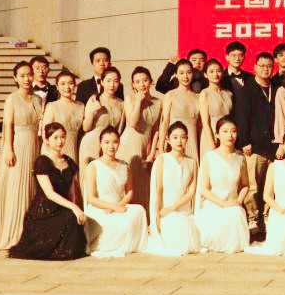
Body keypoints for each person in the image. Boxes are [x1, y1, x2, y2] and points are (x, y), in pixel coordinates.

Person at [0, 62, 46, 251]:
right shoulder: (11, 99)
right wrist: (8, 149)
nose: (27, 79)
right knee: (17, 188)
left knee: (32, 187)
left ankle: (30, 231)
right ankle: (14, 232)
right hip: (18, 146)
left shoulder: (38, 99)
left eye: (29, 75)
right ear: (15, 78)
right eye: (22, 75)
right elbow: (8, 126)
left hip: (35, 145)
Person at [8, 122, 87, 260]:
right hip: (43, 210)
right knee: (69, 218)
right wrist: (73, 207)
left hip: (62, 207)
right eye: (55, 138)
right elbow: (49, 193)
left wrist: (77, 207)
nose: (60, 141)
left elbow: (71, 192)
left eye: (62, 137)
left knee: (75, 220)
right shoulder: (42, 162)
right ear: (47, 140)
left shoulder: (69, 162)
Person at [82, 126, 146, 257]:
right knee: (122, 224)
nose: (111, 146)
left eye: (115, 142)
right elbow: (91, 198)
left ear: (119, 143)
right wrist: (112, 207)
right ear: (100, 144)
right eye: (107, 142)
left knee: (139, 210)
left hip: (119, 206)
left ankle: (129, 242)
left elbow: (130, 192)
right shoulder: (93, 167)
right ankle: (110, 244)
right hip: (100, 208)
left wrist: (118, 206)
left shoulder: (124, 165)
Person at [235, 51, 278, 235]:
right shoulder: (246, 90)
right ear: (255, 68)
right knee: (253, 186)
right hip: (253, 146)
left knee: (271, 186)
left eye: (269, 66)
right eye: (262, 66)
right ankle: (253, 218)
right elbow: (241, 117)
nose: (266, 69)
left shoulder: (277, 88)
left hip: (273, 147)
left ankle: (267, 217)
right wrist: (244, 141)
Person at [195, 118, 251, 254]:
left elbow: (245, 185)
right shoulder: (209, 157)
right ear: (217, 135)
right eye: (225, 131)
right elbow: (203, 189)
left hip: (233, 205)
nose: (229, 135)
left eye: (233, 131)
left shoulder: (240, 158)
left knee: (237, 213)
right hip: (213, 205)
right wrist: (223, 203)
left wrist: (238, 200)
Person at [146, 121, 200, 256]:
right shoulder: (162, 159)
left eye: (183, 137)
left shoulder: (192, 162)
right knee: (177, 229)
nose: (179, 141)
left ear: (187, 139)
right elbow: (158, 190)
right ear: (168, 140)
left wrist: (173, 208)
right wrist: (157, 215)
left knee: (186, 226)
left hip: (183, 209)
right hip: (164, 210)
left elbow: (191, 192)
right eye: (175, 137)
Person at [120, 66, 160, 215]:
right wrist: (138, 102)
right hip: (129, 144)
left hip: (145, 145)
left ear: (151, 81)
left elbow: (156, 130)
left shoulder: (158, 102)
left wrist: (152, 152)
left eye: (145, 80)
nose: (142, 84)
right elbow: (132, 122)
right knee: (128, 183)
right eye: (137, 82)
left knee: (142, 185)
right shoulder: (130, 99)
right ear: (133, 84)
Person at [154, 60, 201, 164]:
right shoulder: (170, 95)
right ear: (176, 75)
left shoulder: (198, 97)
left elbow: (200, 125)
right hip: (175, 140)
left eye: (189, 72)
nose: (185, 76)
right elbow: (165, 122)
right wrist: (161, 146)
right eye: (181, 73)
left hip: (193, 141)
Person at [80, 67, 124, 174]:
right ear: (102, 82)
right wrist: (92, 112)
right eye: (108, 81)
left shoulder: (122, 103)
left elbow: (120, 129)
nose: (112, 85)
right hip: (92, 143)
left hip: (109, 146)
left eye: (115, 81)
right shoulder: (94, 99)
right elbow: (85, 127)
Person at [40, 71, 84, 162]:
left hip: (73, 147)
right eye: (63, 84)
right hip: (54, 148)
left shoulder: (81, 106)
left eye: (70, 83)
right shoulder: (52, 106)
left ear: (75, 85)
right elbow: (45, 131)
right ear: (57, 87)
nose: (67, 87)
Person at [197, 58, 233, 159]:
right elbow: (205, 122)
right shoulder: (205, 94)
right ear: (205, 74)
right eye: (211, 72)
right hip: (210, 134)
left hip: (226, 134)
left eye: (218, 71)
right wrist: (212, 145)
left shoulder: (229, 94)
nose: (215, 74)